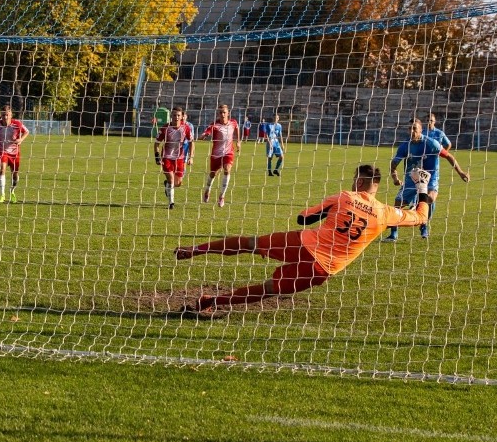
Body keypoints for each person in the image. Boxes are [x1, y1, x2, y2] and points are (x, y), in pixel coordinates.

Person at [174, 165, 433, 313]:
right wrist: (422, 188)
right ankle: (210, 303)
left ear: (360, 180)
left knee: (250, 244)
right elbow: (421, 216)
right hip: (324, 268)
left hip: (304, 243)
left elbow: (304, 217)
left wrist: (315, 215)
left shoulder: (345, 196)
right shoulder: (385, 212)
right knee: (268, 290)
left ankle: (195, 250)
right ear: (376, 185)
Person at [382, 119, 470, 242]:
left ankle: (424, 226)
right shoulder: (405, 145)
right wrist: (395, 178)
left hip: (430, 178)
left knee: (430, 198)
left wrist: (460, 172)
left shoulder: (431, 143)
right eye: (410, 129)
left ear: (421, 130)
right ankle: (393, 234)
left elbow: (449, 156)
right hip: (411, 178)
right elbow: (394, 163)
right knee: (398, 203)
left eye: (414, 129)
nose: (412, 131)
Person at [199, 104, 240, 208]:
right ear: (218, 114)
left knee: (227, 169)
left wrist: (238, 141)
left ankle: (222, 196)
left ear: (228, 113)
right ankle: (207, 190)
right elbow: (207, 131)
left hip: (228, 152)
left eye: (224, 112)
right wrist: (204, 135)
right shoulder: (214, 125)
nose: (222, 114)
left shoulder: (233, 122)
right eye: (221, 112)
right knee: (213, 174)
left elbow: (237, 128)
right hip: (216, 154)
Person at [154, 106, 194, 210]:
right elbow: (157, 144)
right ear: (171, 116)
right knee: (172, 180)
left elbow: (191, 142)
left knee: (178, 183)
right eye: (174, 115)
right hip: (166, 157)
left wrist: (191, 157)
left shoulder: (186, 128)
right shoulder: (165, 128)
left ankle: (167, 184)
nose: (176, 117)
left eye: (178, 115)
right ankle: (171, 203)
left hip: (179, 158)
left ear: (182, 117)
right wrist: (157, 157)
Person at [0, 104, 30, 203]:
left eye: (7, 115)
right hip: (2, 150)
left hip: (14, 152)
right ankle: (2, 195)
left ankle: (12, 191)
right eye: (3, 115)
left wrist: (21, 139)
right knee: (2, 169)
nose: (5, 117)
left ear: (11, 115)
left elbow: (27, 131)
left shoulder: (17, 124)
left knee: (15, 174)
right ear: (1, 115)